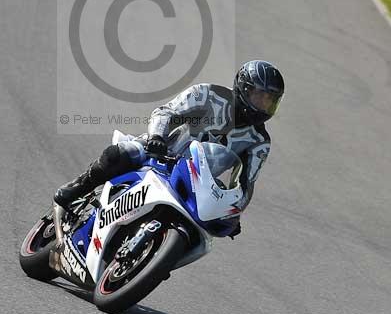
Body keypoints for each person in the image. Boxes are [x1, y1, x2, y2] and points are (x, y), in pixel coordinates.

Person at [55, 60, 285, 238]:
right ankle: (76, 188)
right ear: (243, 88)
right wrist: (157, 137)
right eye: (260, 97)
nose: (264, 106)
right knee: (119, 154)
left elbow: (246, 183)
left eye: (270, 101)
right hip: (162, 154)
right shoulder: (208, 94)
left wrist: (234, 211)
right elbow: (166, 112)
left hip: (197, 183)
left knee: (201, 229)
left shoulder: (260, 141)